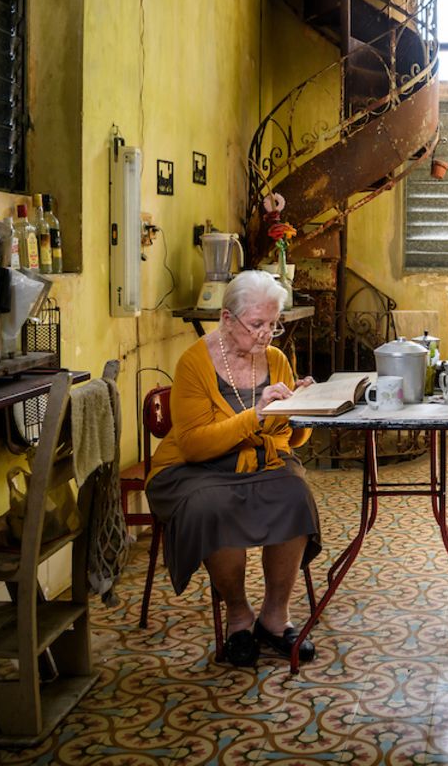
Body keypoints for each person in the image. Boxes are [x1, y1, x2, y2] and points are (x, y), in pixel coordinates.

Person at [146, 270, 321, 667]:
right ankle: (239, 615)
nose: (265, 335)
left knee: (295, 493)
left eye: (273, 325)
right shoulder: (194, 362)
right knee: (211, 507)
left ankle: (275, 617)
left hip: (259, 460)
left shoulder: (275, 359)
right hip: (196, 468)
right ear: (227, 319)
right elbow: (193, 446)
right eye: (257, 324)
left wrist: (302, 411)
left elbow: (288, 440)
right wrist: (256, 416)